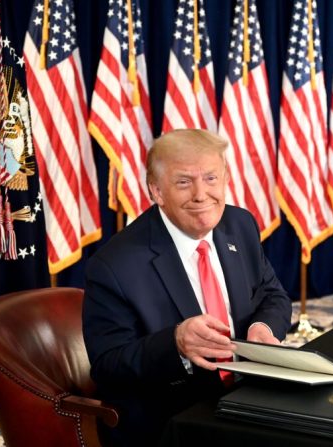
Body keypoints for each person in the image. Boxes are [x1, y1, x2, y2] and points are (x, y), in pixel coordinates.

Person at [82, 129, 292, 446]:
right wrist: (176, 343)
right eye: (183, 182)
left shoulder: (240, 225)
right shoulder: (114, 266)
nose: (201, 194)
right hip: (174, 416)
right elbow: (108, 366)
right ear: (156, 191)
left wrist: (261, 328)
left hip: (250, 392)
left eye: (211, 178)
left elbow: (272, 295)